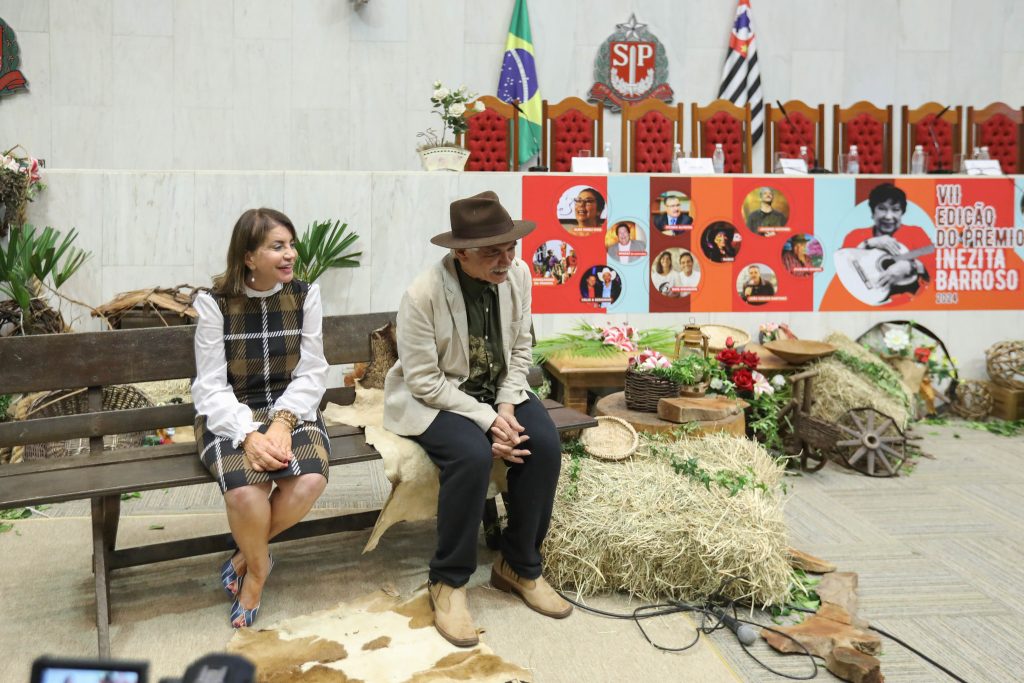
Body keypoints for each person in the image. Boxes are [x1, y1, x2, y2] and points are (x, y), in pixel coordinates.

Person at [383, 191, 572, 649]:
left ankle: (519, 565)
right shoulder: (422, 295)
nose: (506, 260)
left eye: (511, 248)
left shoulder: (520, 275)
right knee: (470, 456)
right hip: (440, 398)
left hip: (499, 391)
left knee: (544, 445)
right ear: (460, 253)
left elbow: (522, 349)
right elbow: (425, 382)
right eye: (492, 252)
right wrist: (488, 422)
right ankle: (448, 581)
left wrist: (506, 408)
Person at [192, 208, 330, 628]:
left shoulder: (307, 295)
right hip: (230, 411)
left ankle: (247, 559)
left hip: (293, 405)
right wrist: (250, 434)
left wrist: (283, 422)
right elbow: (210, 386)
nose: (290, 255)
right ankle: (259, 569)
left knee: (307, 479)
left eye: (290, 245)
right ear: (249, 257)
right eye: (277, 247)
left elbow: (313, 371)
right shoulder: (214, 304)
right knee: (245, 494)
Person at [822, 183, 934, 307]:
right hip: (862, 307)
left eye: (895, 209)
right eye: (882, 208)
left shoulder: (915, 233)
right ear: (873, 211)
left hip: (908, 305)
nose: (888, 216)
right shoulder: (856, 235)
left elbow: (936, 269)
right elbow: (841, 265)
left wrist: (911, 266)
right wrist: (868, 243)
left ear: (902, 212)